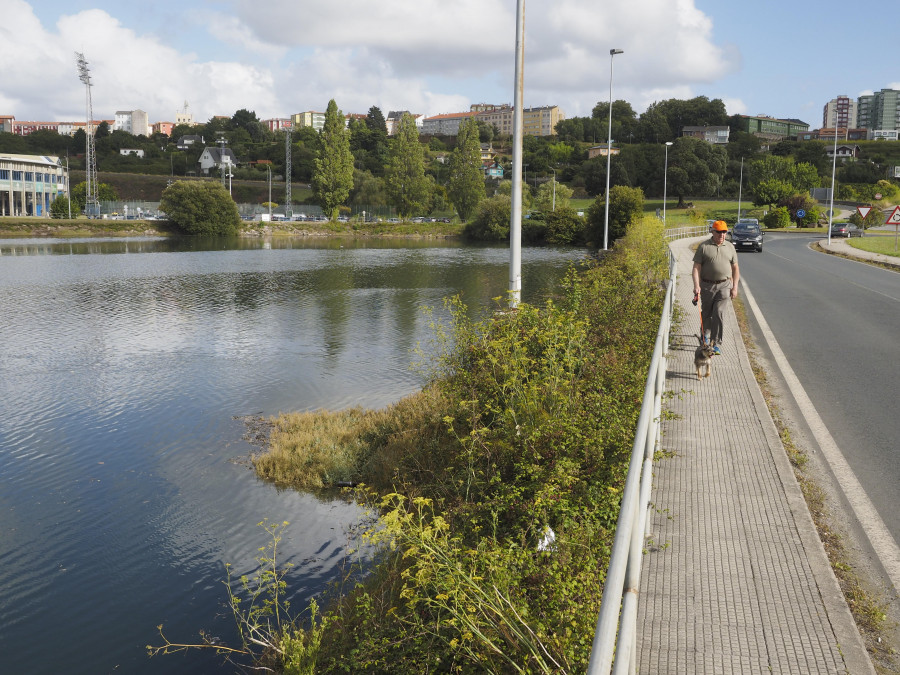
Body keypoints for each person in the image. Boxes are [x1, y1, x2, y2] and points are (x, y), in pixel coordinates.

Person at [691, 220, 739, 355]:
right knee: (706, 313)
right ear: (713, 232)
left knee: (718, 313)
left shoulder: (730, 247)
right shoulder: (704, 246)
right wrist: (696, 286)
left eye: (724, 232)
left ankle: (716, 343)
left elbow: (735, 268)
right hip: (706, 285)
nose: (722, 235)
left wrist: (734, 287)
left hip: (724, 285)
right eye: (719, 232)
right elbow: (696, 268)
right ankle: (705, 336)